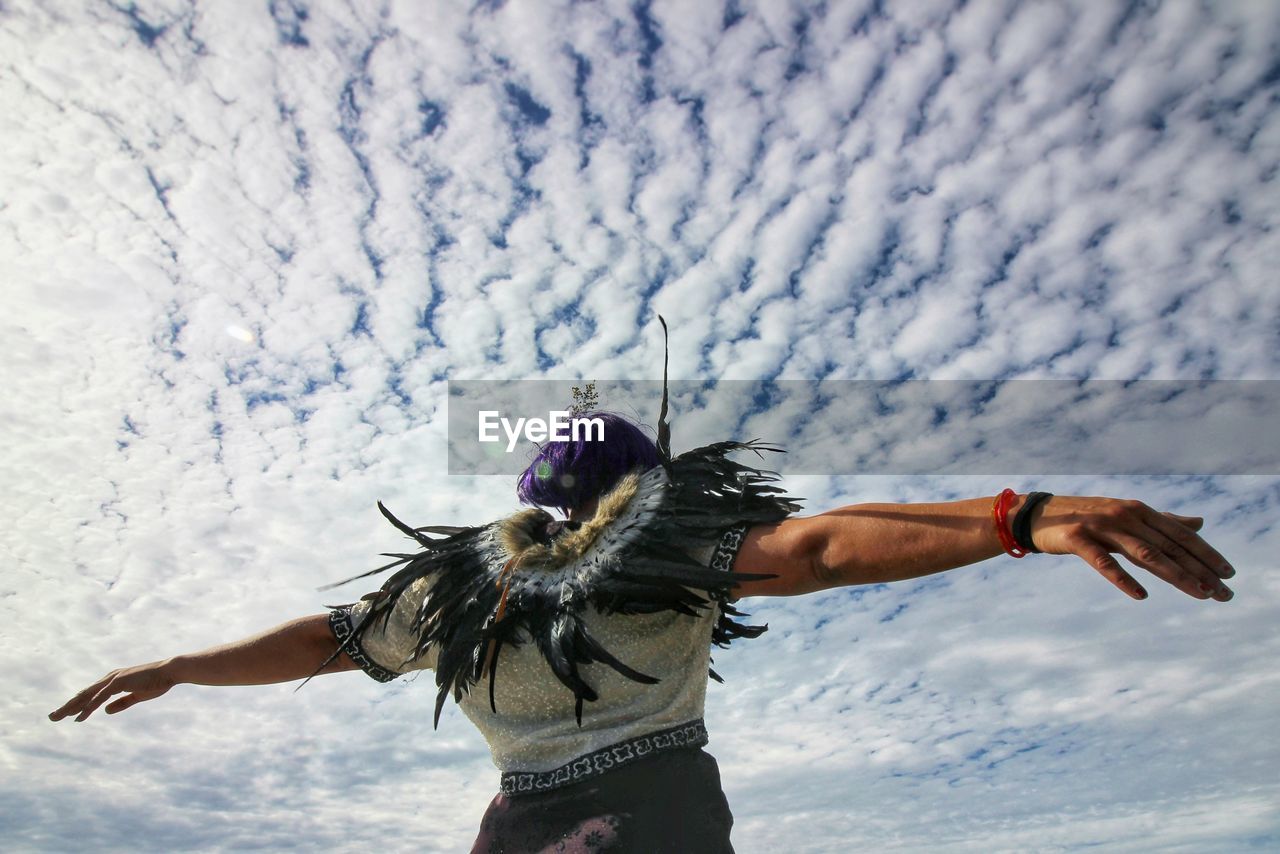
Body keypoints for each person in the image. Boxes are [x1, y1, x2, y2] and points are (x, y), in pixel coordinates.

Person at [49, 406, 1236, 853]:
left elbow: (323, 636)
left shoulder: (458, 588)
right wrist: (1016, 516)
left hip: (517, 823)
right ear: (643, 499)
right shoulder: (645, 553)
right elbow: (817, 544)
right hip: (655, 808)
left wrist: (182, 666)